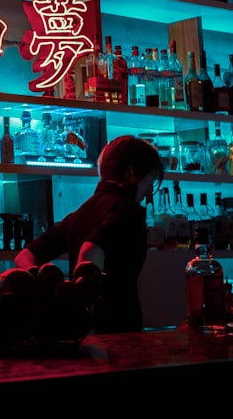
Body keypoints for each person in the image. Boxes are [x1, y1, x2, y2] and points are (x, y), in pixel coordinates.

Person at [15, 134, 163, 333]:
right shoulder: (128, 211)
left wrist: (42, 284)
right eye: (151, 178)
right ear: (131, 173)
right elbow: (90, 249)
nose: (149, 190)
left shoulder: (80, 213)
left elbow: (25, 257)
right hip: (118, 332)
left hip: (82, 333)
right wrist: (86, 291)